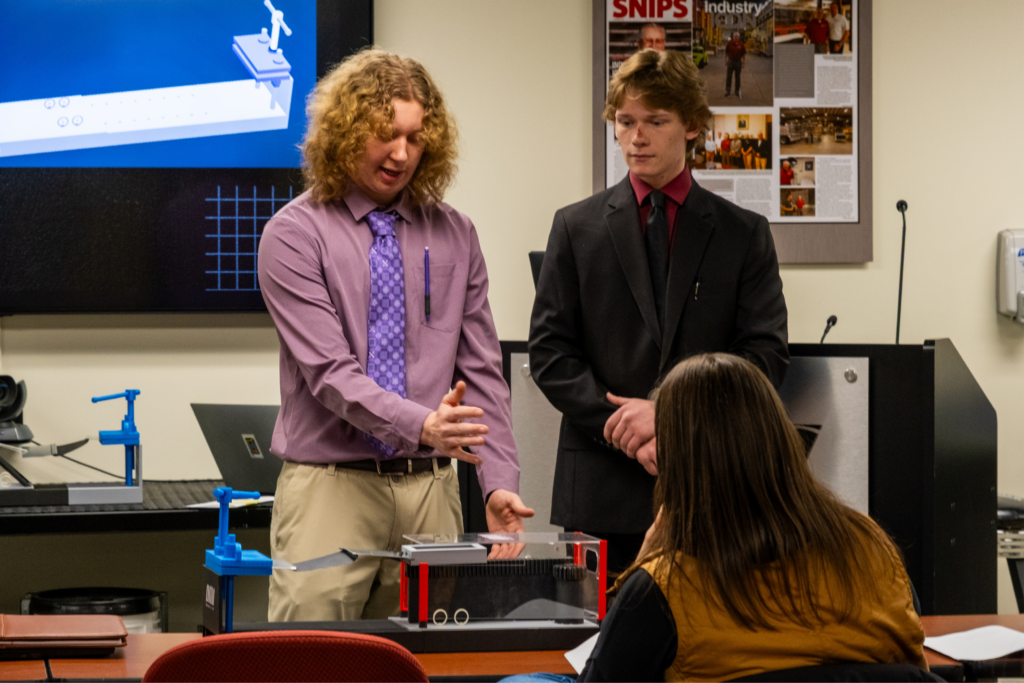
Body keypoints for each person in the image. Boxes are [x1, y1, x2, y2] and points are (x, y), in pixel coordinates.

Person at [258, 48, 533, 622]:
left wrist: (498, 481)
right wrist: (423, 425)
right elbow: (330, 375)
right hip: (331, 489)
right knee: (315, 658)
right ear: (345, 132)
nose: (402, 154)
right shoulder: (293, 235)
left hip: (431, 492)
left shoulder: (456, 232)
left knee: (430, 659)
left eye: (415, 137)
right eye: (386, 135)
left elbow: (482, 371)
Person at [529, 48, 788, 576]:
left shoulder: (743, 233)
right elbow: (551, 355)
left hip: (712, 489)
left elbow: (764, 356)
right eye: (625, 122)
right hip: (600, 491)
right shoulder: (575, 228)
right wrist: (624, 428)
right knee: (600, 630)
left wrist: (672, 420)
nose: (636, 138)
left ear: (691, 126)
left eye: (655, 121)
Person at [574, 354, 929, 681]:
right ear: (780, 436)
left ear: (679, 466)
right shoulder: (870, 547)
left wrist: (645, 563)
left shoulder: (665, 588)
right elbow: (914, 666)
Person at [724, 32, 746, 98]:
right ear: (733, 37)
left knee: (737, 77)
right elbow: (726, 52)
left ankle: (737, 91)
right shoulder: (729, 43)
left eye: (737, 36)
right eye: (735, 36)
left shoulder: (741, 44)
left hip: (738, 62)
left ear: (739, 37)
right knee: (729, 77)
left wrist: (743, 63)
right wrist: (726, 61)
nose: (736, 37)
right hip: (730, 61)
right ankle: (727, 91)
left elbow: (743, 54)